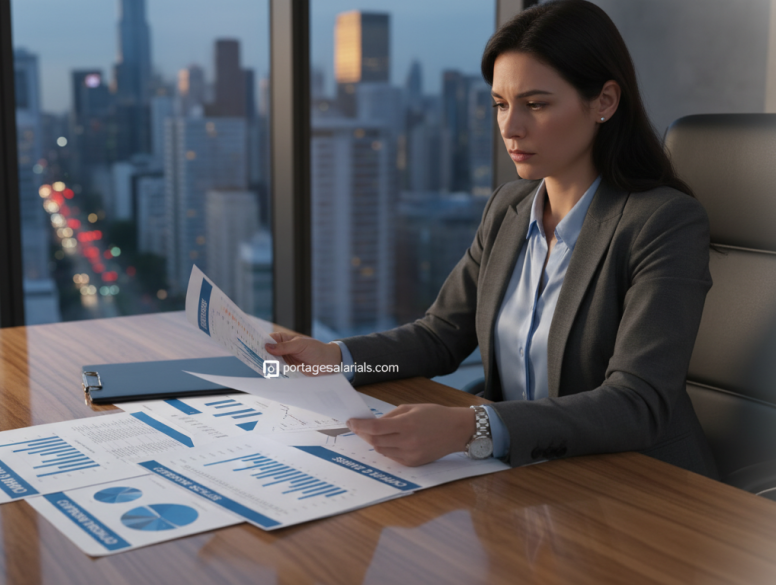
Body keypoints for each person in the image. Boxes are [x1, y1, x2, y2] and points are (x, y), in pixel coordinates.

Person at [266, 0, 719, 478]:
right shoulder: (509, 207)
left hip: (638, 485)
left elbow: (636, 403)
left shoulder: (663, 222)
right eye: (501, 105)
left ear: (604, 101)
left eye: (536, 104)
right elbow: (439, 338)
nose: (509, 127)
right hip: (527, 477)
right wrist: (337, 360)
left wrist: (473, 426)